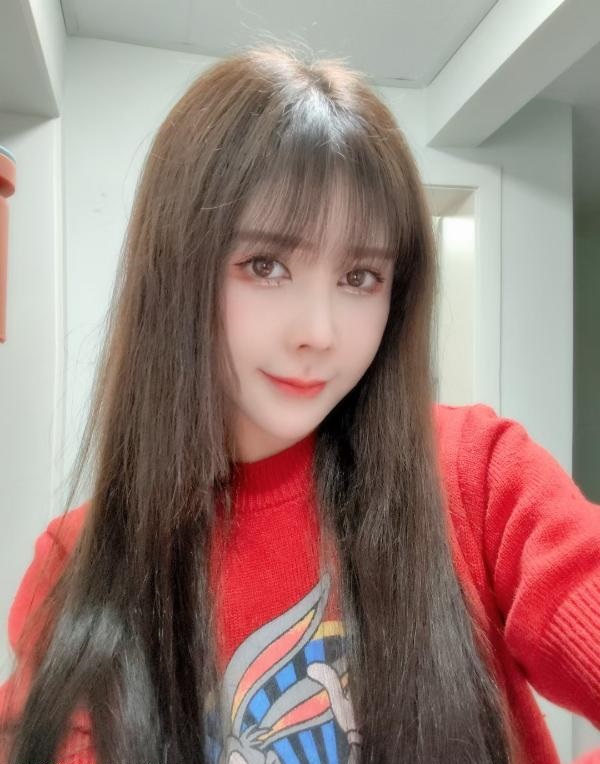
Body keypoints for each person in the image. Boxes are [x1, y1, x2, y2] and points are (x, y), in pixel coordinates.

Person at [0, 43, 599, 764]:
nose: (318, 332)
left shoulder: (477, 475)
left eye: (360, 276)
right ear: (177, 272)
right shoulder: (80, 566)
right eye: (266, 265)